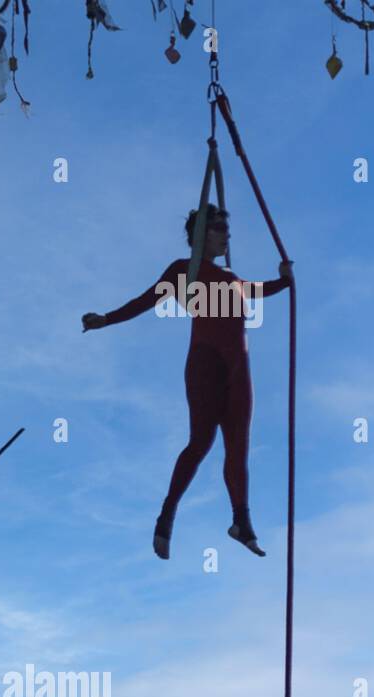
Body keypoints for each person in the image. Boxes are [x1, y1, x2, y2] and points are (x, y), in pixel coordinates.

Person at [82, 204, 293, 560]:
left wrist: (285, 280)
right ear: (200, 235)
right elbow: (145, 300)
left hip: (239, 368)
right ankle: (167, 515)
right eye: (219, 228)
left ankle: (241, 521)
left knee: (238, 446)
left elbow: (256, 289)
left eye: (227, 228)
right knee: (201, 442)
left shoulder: (232, 279)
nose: (227, 235)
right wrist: (106, 319)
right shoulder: (184, 270)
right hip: (205, 363)